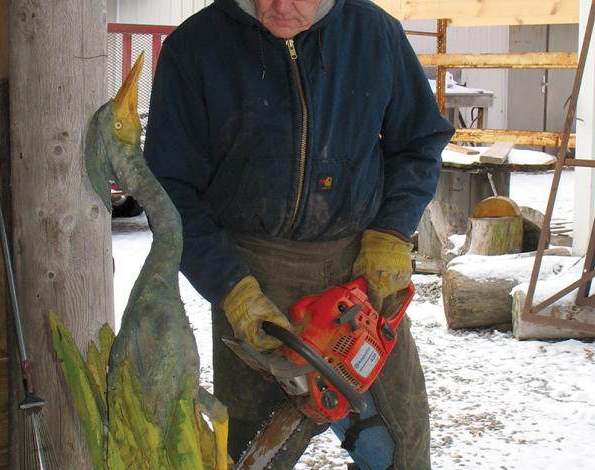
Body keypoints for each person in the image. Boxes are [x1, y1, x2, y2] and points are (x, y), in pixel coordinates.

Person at [144, 0, 454, 467]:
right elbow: (171, 189)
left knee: (400, 444)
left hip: (360, 275)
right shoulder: (196, 48)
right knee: (256, 451)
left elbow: (419, 142)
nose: (281, 6)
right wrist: (232, 289)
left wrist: (391, 231)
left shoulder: (375, 35)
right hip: (253, 275)